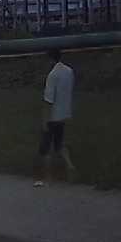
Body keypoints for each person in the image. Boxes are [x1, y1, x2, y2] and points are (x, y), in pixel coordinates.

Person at [35, 48, 76, 187]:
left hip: (52, 116)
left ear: (49, 59)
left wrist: (44, 120)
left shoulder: (52, 75)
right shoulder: (69, 71)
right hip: (64, 113)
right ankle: (70, 165)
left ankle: (48, 177)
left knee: (45, 148)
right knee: (59, 144)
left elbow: (48, 100)